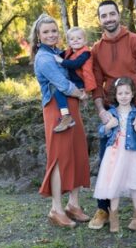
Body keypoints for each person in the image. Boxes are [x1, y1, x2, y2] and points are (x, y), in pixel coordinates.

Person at [89, 0, 136, 232]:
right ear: (99, 20)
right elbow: (96, 84)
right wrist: (101, 112)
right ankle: (104, 210)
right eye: (104, 15)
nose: (108, 18)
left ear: (119, 15)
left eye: (112, 14)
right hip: (112, 112)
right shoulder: (97, 49)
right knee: (106, 160)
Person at [30, 14, 91, 228]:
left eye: (54, 31)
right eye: (46, 32)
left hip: (71, 107)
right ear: (38, 36)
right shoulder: (44, 58)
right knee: (59, 157)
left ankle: (73, 205)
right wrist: (82, 94)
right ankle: (56, 209)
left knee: (76, 152)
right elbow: (63, 85)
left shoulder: (59, 53)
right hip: (57, 110)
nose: (51, 35)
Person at [92, 77, 136, 233]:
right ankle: (114, 218)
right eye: (120, 93)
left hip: (132, 153)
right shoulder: (111, 113)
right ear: (115, 95)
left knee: (135, 183)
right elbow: (101, 132)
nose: (123, 96)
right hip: (114, 152)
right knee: (114, 182)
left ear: (132, 94)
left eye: (127, 93)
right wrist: (108, 127)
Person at [50, 27, 96, 132]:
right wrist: (51, 55)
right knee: (59, 90)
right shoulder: (70, 51)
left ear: (84, 41)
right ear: (69, 42)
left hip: (80, 82)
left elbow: (76, 64)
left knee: (59, 91)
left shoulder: (86, 53)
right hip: (73, 80)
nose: (75, 41)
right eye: (72, 39)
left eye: (79, 38)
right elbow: (60, 54)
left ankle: (66, 116)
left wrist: (61, 61)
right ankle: (68, 114)